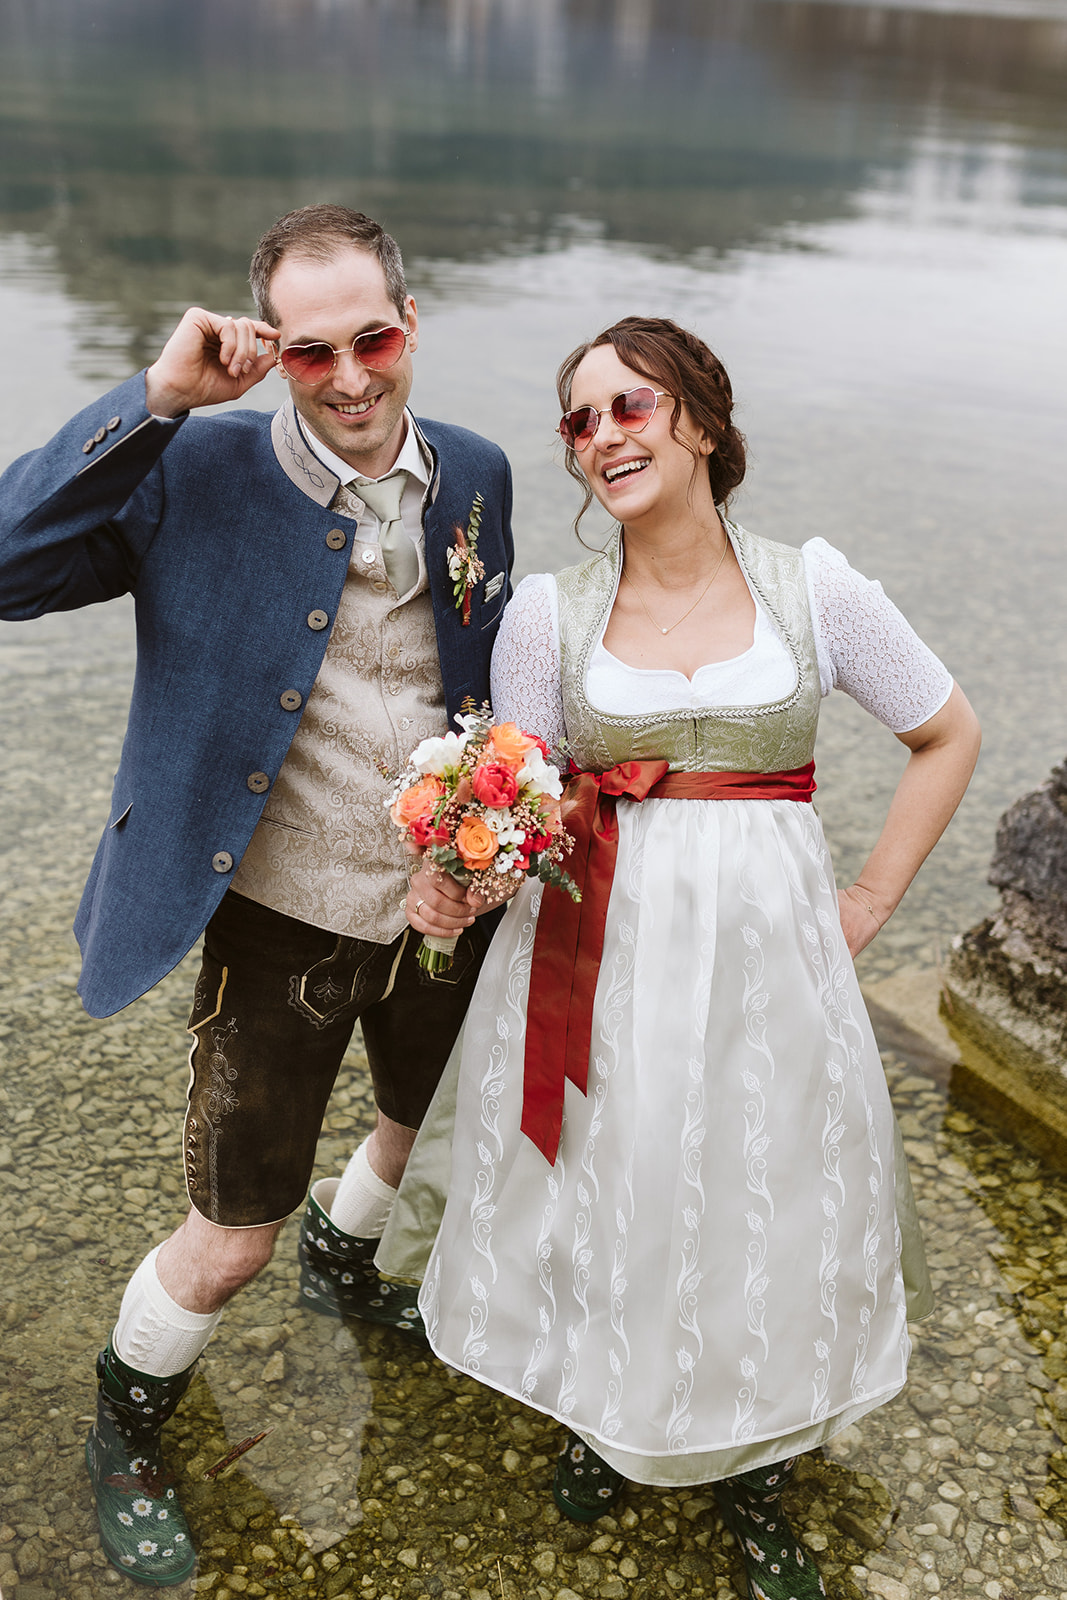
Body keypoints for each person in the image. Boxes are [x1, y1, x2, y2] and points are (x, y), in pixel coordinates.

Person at [392, 316, 980, 1600]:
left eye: (629, 407)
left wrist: (871, 896)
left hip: (774, 969)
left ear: (699, 424)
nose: (603, 437)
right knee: (613, 1181)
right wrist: (452, 876)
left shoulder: (811, 586)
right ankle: (608, 1415)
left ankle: (755, 1459)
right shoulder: (546, 613)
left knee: (762, 1194)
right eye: (579, 420)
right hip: (596, 953)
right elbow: (521, 810)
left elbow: (948, 733)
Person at [0, 204, 513, 1586]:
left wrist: (493, 834)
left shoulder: (476, 471)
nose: (349, 376)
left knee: (418, 1131)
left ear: (412, 324)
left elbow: (476, 673)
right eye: (309, 351)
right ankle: (132, 1421)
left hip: (445, 903)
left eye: (374, 339)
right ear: (266, 352)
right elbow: (4, 563)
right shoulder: (194, 470)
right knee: (228, 1244)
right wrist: (160, 399)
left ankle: (347, 1273)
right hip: (275, 919)